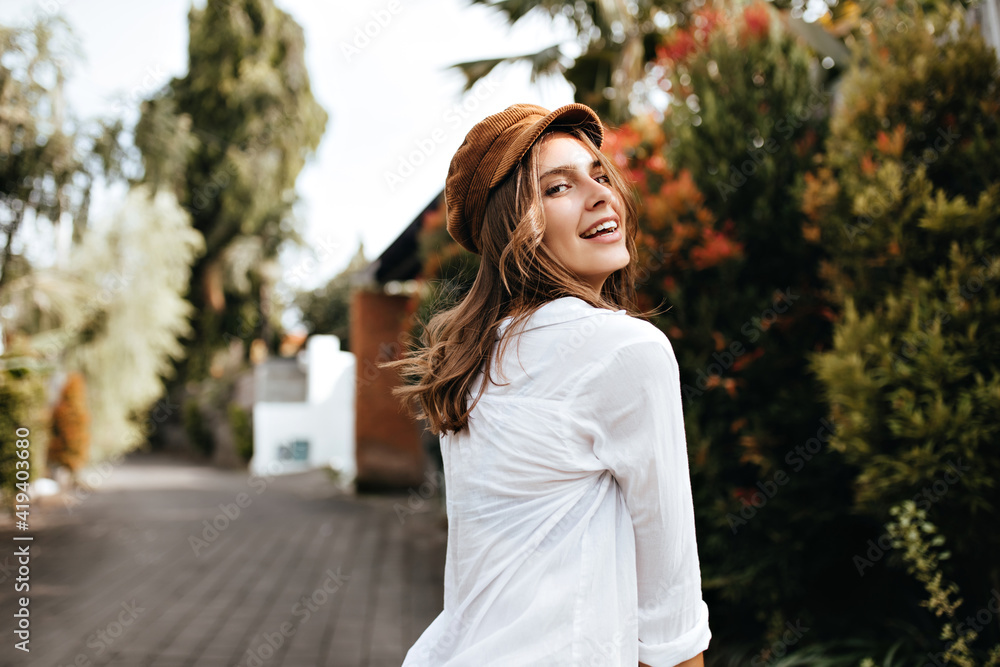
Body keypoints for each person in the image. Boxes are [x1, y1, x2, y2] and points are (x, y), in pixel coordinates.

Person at [382, 103, 711, 666]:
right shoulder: (626, 351)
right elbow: (670, 612)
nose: (601, 194)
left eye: (599, 174)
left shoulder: (474, 361)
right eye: (558, 187)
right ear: (516, 226)